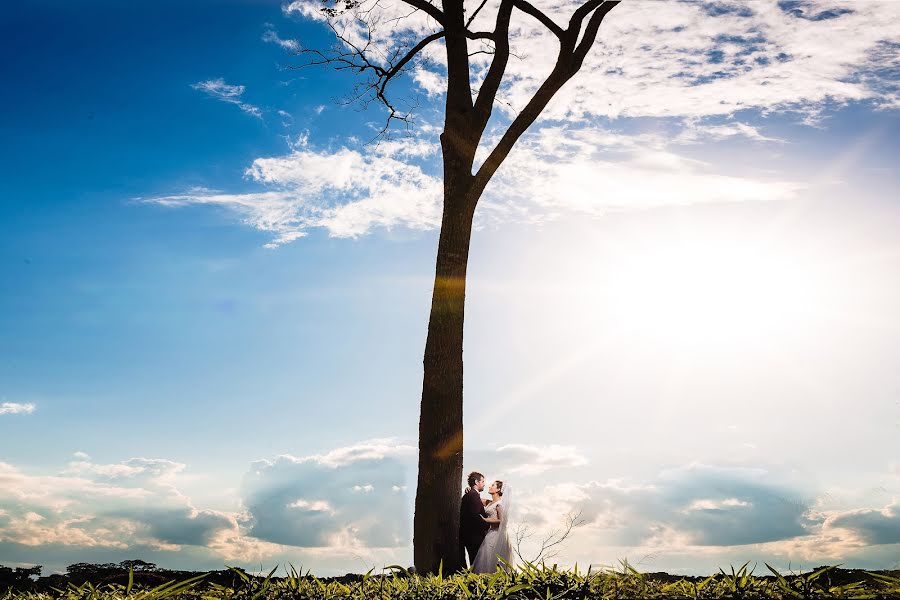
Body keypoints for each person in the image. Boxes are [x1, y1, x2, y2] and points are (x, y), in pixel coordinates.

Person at [472, 480, 513, 574]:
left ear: (498, 489)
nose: (489, 486)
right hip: (490, 533)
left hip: (496, 535)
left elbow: (501, 521)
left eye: (492, 485)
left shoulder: (499, 504)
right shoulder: (490, 502)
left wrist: (486, 520)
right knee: (485, 558)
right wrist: (470, 489)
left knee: (491, 559)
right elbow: (476, 497)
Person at [459, 471, 489, 569]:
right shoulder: (473, 495)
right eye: (482, 481)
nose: (484, 483)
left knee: (475, 562)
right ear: (476, 482)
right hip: (474, 537)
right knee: (477, 563)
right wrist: (487, 526)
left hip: (469, 536)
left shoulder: (469, 495)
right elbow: (475, 516)